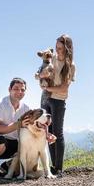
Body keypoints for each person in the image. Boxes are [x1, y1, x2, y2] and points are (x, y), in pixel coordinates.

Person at [36, 34, 76, 175]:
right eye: (56, 47)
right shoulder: (51, 59)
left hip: (58, 101)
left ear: (67, 48)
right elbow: (41, 72)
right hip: (46, 99)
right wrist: (40, 76)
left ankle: (59, 168)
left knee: (57, 132)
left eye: (60, 48)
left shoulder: (70, 66)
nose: (57, 50)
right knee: (48, 132)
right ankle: (52, 167)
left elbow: (64, 88)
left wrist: (48, 88)